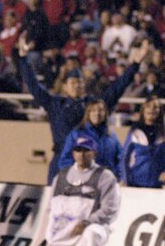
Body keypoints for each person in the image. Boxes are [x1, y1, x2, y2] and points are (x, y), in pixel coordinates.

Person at [17, 36, 149, 183]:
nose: (77, 86)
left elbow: (117, 89)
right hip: (60, 160)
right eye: (72, 82)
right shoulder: (55, 104)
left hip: (87, 163)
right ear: (65, 86)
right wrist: (23, 59)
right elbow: (34, 87)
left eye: (80, 82)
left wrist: (135, 64)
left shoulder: (92, 104)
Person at [46, 134, 121, 246]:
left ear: (94, 153)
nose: (81, 154)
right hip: (68, 235)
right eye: (78, 150)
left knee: (91, 233)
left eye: (86, 151)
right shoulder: (61, 176)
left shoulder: (105, 176)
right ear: (73, 153)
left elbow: (110, 209)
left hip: (97, 227)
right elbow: (52, 208)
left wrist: (88, 222)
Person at [56, 99, 123, 180]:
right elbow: (65, 160)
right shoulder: (77, 134)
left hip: (106, 181)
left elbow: (121, 158)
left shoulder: (111, 135)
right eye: (93, 110)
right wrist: (77, 176)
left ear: (105, 113)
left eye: (101, 110)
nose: (97, 114)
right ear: (88, 113)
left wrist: (116, 176)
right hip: (83, 182)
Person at [120, 96, 165, 188]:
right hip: (136, 182)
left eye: (155, 107)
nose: (152, 109)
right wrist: (125, 179)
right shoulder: (135, 131)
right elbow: (125, 156)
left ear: (160, 111)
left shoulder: (163, 133)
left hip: (157, 183)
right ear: (143, 110)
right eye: (148, 106)